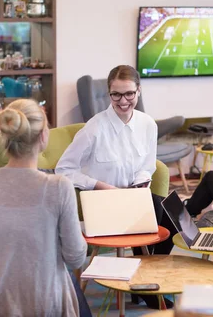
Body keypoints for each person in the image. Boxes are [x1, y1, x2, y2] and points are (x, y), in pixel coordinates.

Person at [56, 64, 173, 310]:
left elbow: (148, 164)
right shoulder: (94, 128)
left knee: (171, 217)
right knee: (154, 213)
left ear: (138, 91)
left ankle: (143, 279)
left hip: (134, 197)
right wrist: (99, 186)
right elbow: (63, 169)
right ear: (109, 94)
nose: (123, 101)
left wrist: (142, 179)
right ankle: (148, 288)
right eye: (116, 94)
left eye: (129, 93)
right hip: (103, 204)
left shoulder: (147, 124)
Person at [0, 99, 90, 317]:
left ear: (5, 136)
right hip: (47, 308)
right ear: (43, 136)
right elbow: (76, 258)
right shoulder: (59, 186)